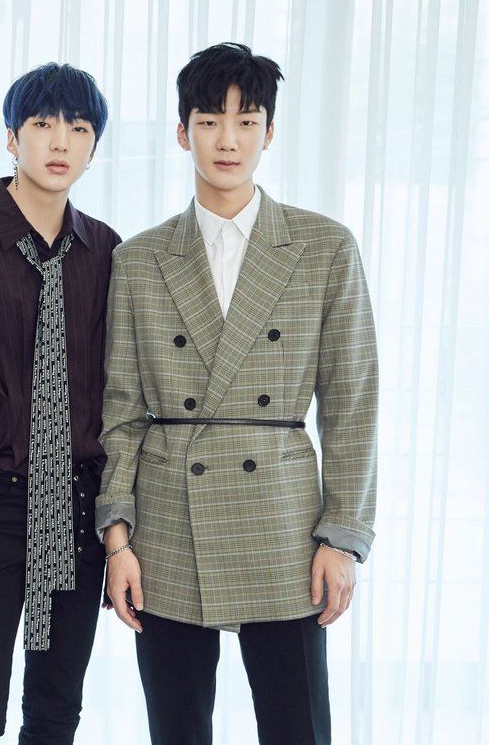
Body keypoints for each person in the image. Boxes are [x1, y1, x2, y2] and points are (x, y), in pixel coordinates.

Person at [97, 42, 378, 745]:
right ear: (181, 131)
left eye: (246, 121)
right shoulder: (139, 258)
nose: (228, 140)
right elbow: (121, 411)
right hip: (168, 522)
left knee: (297, 727)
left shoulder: (324, 247)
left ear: (269, 133)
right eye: (210, 121)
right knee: (177, 728)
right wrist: (117, 539)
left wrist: (342, 537)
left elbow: (352, 402)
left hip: (283, 522)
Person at [0, 62, 120, 744]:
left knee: (56, 711)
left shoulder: (107, 253)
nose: (60, 140)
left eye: (79, 127)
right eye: (42, 123)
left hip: (77, 509)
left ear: (94, 146)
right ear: (12, 138)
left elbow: (119, 400)